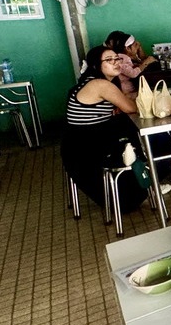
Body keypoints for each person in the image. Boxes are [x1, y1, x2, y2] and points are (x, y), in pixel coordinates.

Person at [60, 46, 149, 213]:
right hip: (84, 150)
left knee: (123, 124)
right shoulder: (99, 84)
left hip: (80, 142)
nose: (116, 63)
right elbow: (131, 108)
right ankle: (149, 171)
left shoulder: (95, 81)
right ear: (96, 65)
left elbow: (123, 103)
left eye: (117, 58)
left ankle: (145, 172)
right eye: (109, 60)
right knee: (129, 127)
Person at [103, 30, 156, 95]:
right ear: (128, 48)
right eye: (136, 44)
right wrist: (146, 62)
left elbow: (139, 60)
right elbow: (132, 73)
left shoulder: (128, 55)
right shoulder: (121, 59)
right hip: (126, 92)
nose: (138, 45)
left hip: (132, 87)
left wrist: (139, 49)